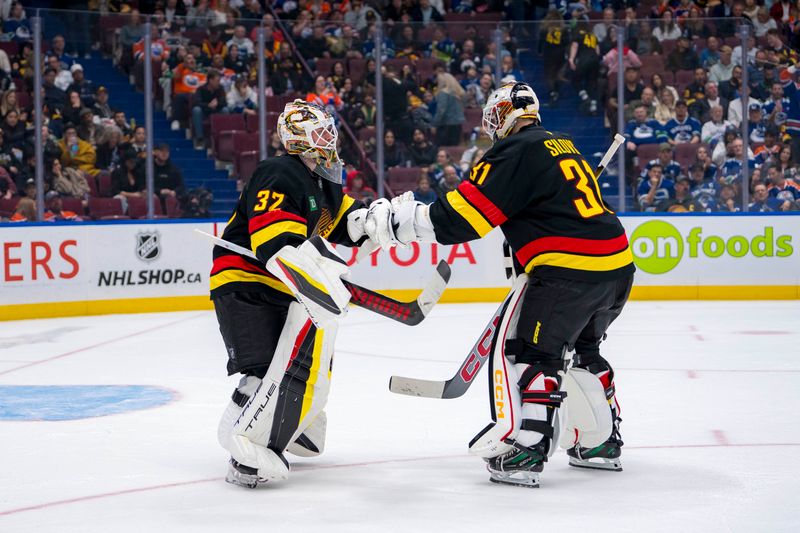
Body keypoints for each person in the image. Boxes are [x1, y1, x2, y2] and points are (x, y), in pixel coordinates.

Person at [361, 82, 634, 488]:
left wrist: (402, 224)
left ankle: (528, 447)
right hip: (617, 268)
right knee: (583, 349)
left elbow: (462, 216)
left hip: (567, 271)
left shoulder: (512, 150)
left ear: (503, 113)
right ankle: (600, 442)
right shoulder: (562, 144)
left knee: (532, 353)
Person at [211, 100, 369, 488]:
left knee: (298, 366)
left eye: (328, 129)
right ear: (297, 138)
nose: (329, 137)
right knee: (263, 372)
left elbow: (351, 222)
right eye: (319, 132)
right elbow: (275, 243)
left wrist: (386, 222)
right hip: (245, 284)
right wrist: (322, 266)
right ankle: (242, 452)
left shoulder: (323, 182)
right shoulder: (278, 171)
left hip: (282, 290)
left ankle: (292, 420)